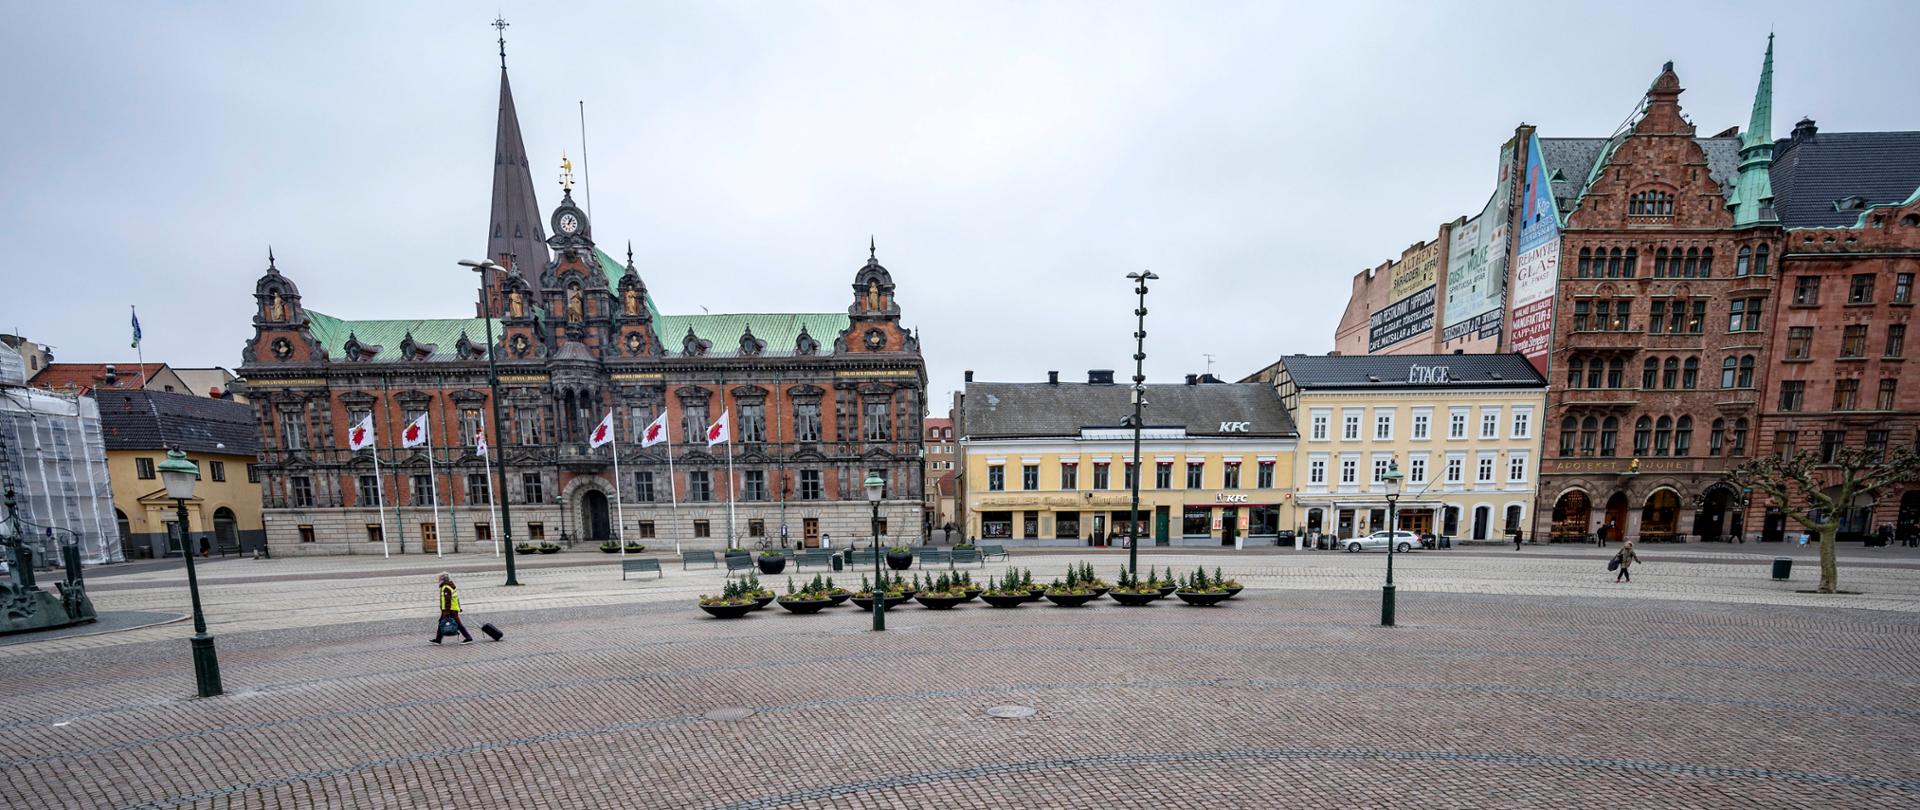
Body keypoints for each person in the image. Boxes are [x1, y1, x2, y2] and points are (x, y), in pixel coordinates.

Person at [432, 573, 473, 644]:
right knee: (441, 622)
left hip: (450, 610)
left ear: (442, 579)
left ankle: (468, 638)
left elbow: (448, 600)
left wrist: (447, 612)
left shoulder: (446, 587)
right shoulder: (448, 586)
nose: (438, 580)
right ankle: (438, 640)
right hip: (449, 609)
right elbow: (456, 599)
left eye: (439, 579)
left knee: (458, 624)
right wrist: (459, 607)